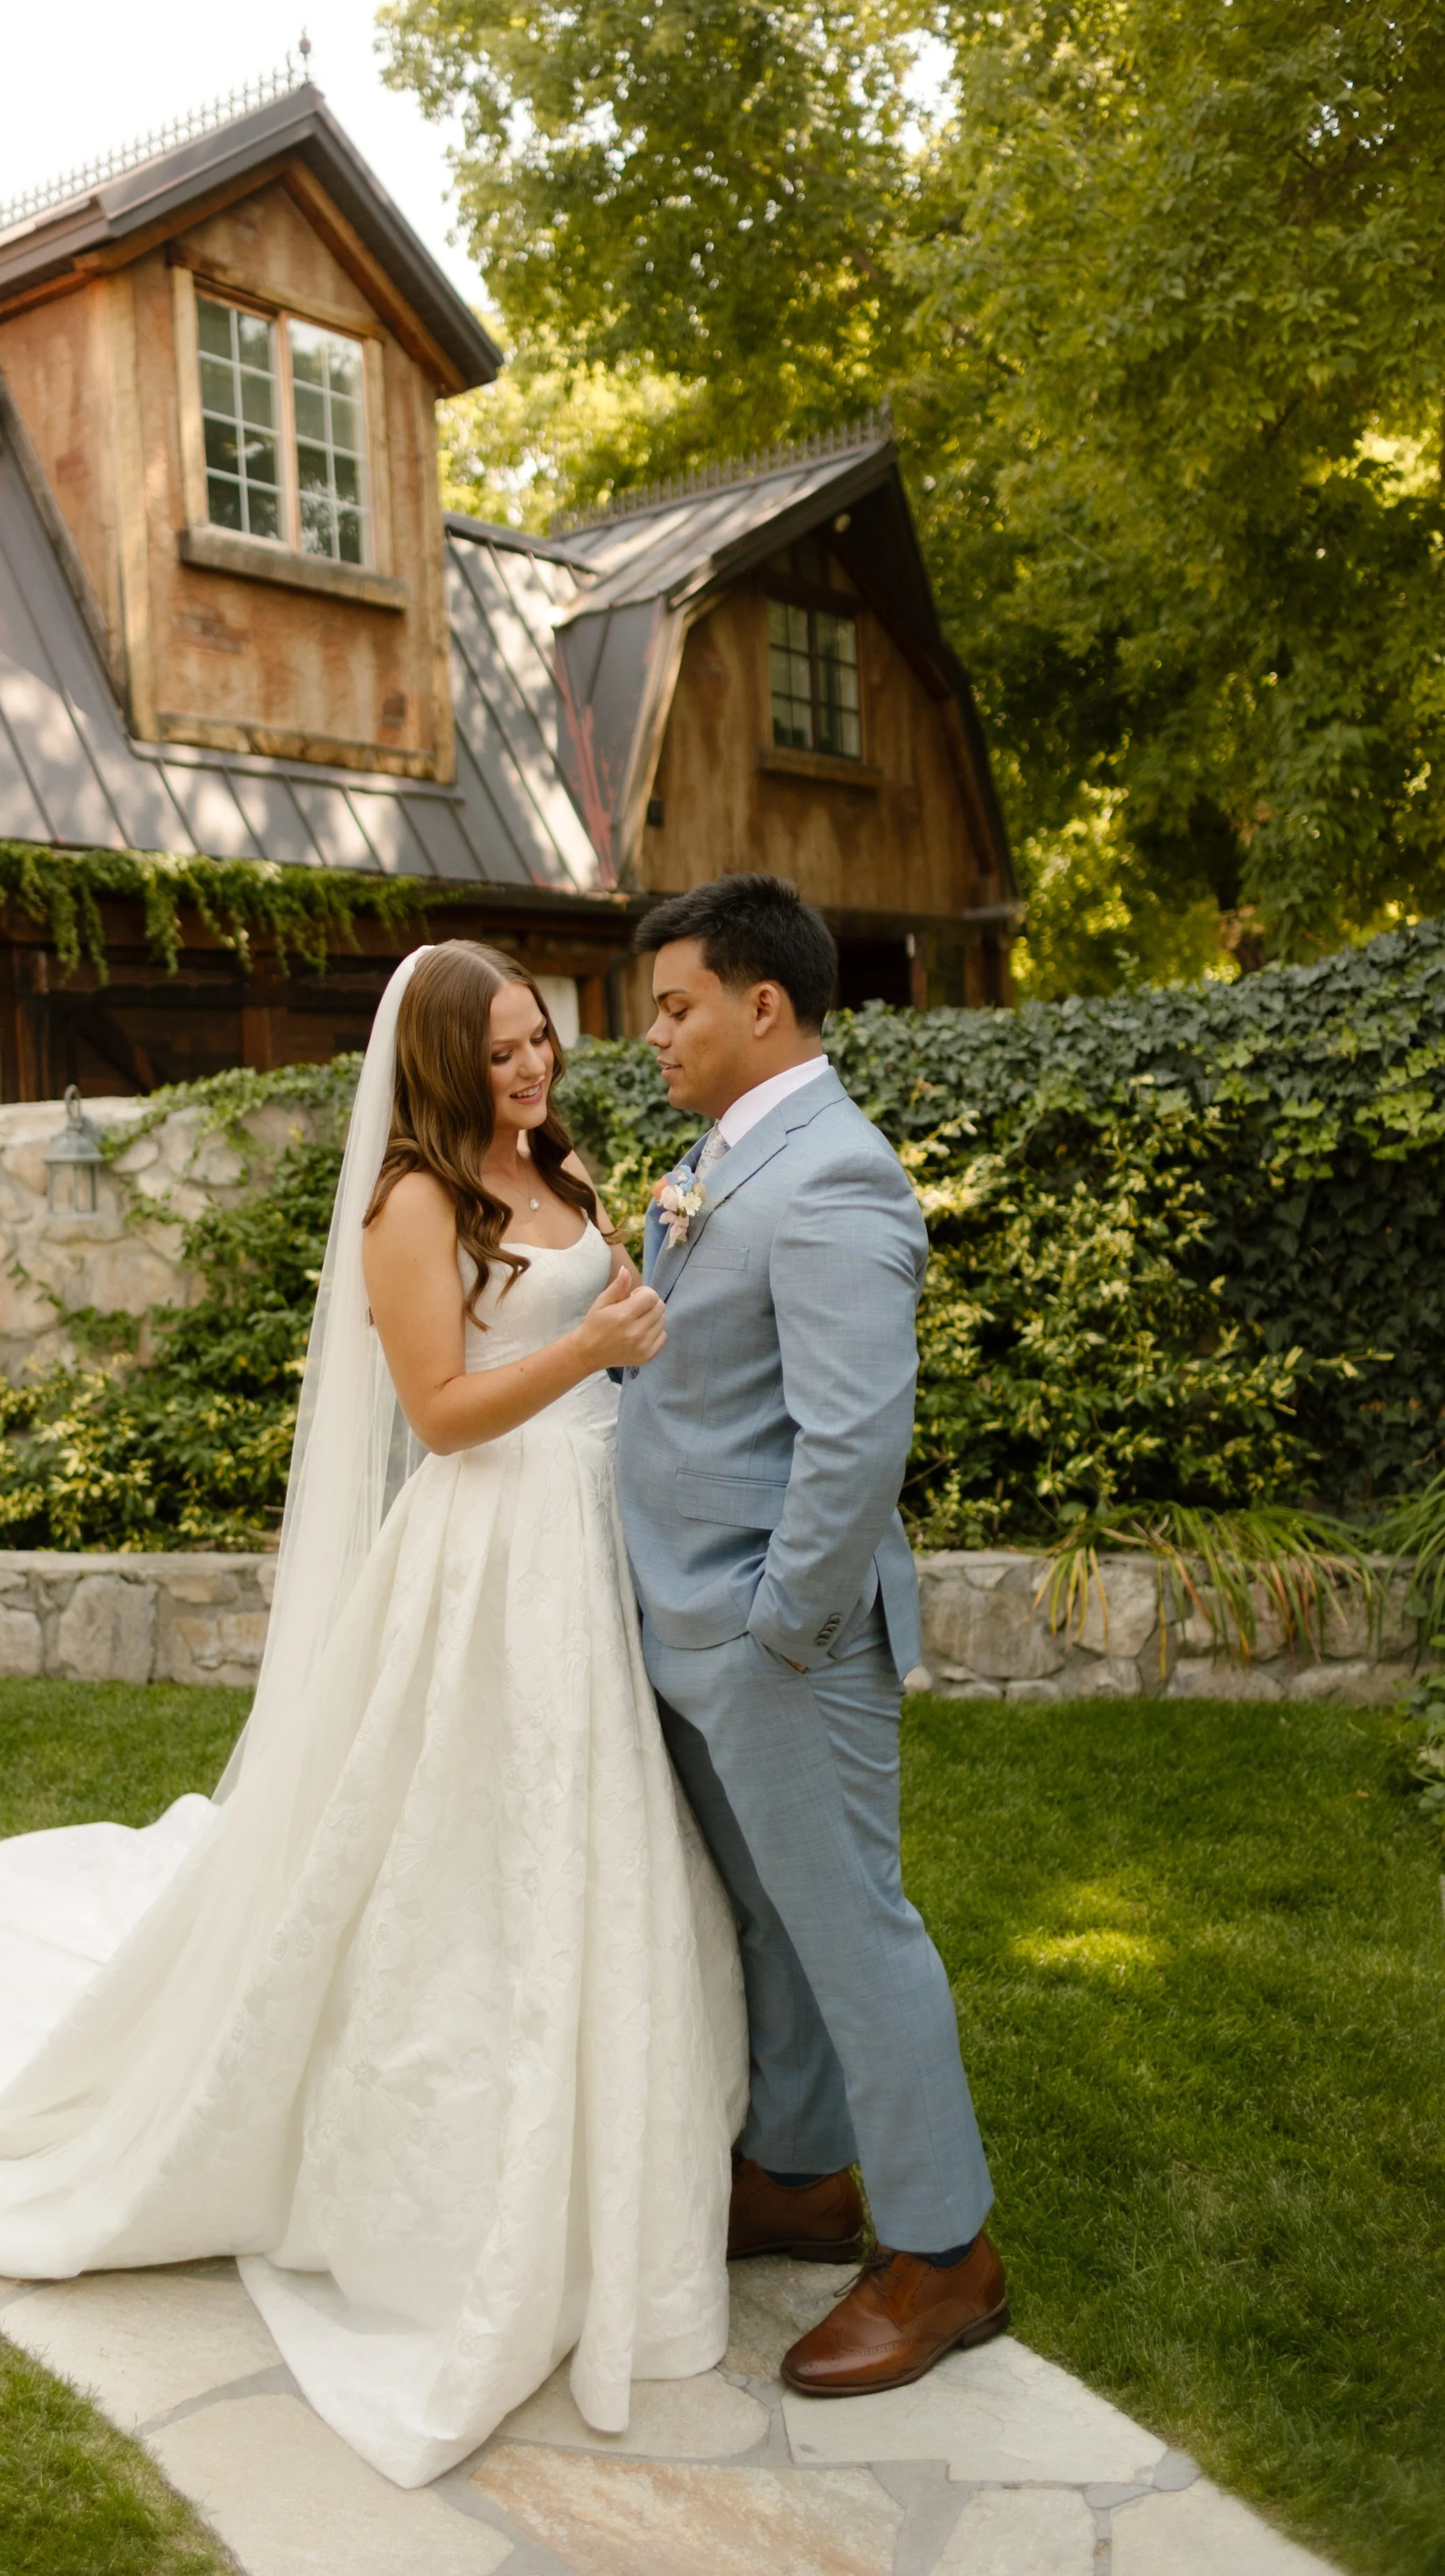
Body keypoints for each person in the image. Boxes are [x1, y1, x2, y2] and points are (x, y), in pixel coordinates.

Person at [0, 941, 746, 2490]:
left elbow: (592, 1321)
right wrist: (586, 1347)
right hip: (493, 1552)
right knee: (470, 1845)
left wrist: (630, 1315)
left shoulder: (558, 1164)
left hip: (592, 1525)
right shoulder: (411, 1204)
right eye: (504, 1051)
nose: (534, 1068)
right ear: (443, 1061)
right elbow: (441, 1413)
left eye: (542, 1040)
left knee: (599, 1833)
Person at [617, 874, 1007, 2394]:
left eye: (675, 1006)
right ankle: (795, 2176)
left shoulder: (839, 1177)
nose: (653, 1034)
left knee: (854, 1933)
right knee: (772, 1921)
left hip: (773, 1643)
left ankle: (944, 2254)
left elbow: (852, 1446)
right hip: (690, 1622)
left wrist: (776, 1631)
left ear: (761, 1004)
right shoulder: (718, 1157)